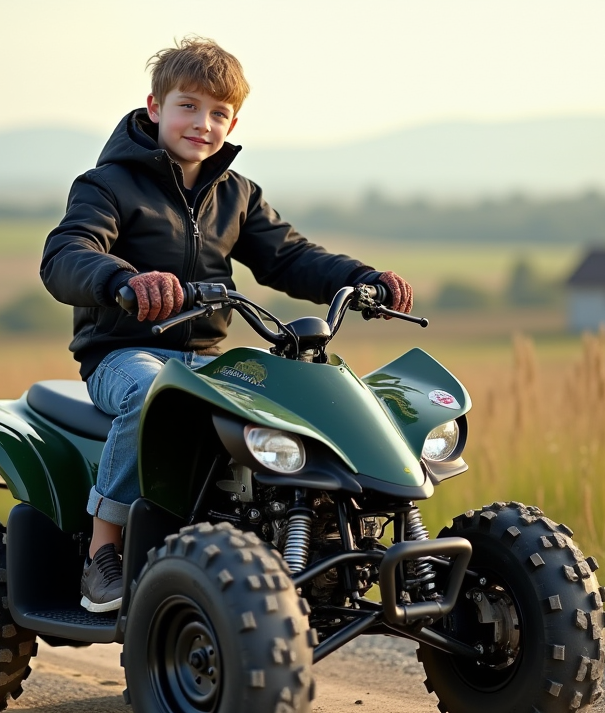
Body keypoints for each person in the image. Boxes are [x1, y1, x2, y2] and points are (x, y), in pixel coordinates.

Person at [40, 37, 414, 613]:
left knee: (297, 398)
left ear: (233, 123)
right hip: (123, 355)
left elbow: (289, 257)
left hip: (209, 362)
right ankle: (103, 549)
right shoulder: (106, 185)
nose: (202, 123)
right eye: (188, 106)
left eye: (218, 113)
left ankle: (304, 537)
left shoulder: (236, 194)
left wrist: (361, 278)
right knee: (154, 392)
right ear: (155, 107)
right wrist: (123, 281)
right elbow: (67, 253)